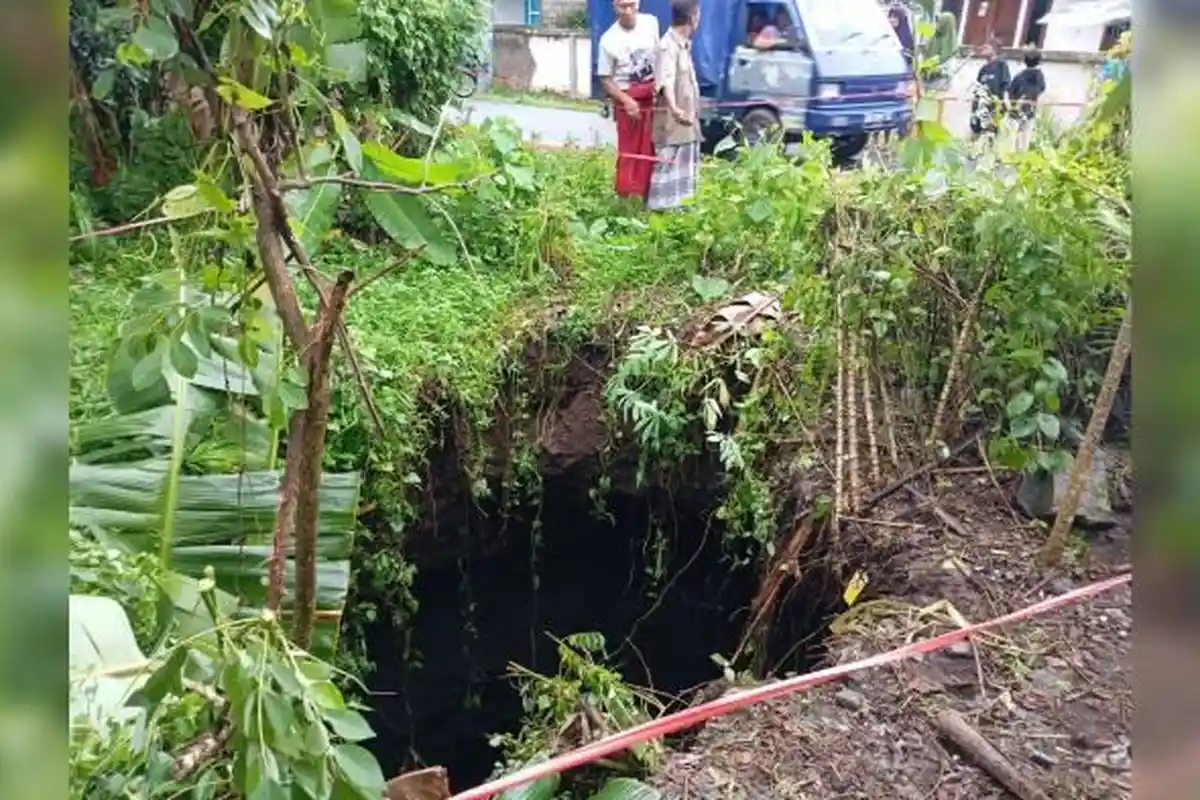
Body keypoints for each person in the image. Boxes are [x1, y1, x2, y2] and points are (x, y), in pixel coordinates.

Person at [597, 0, 661, 201]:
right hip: (628, 99)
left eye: (631, 4)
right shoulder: (608, 40)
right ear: (614, 7)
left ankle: (650, 196)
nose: (627, 10)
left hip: (652, 95)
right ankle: (624, 198)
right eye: (622, 6)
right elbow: (606, 80)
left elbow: (660, 57)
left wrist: (662, 88)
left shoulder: (651, 23)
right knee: (630, 151)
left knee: (653, 147)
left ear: (638, 3)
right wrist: (626, 100)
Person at [647, 0, 702, 212]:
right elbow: (666, 81)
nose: (698, 19)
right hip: (672, 124)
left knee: (685, 173)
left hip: (687, 124)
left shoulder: (684, 44)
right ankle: (659, 214)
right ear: (691, 18)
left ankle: (680, 213)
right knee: (666, 169)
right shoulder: (667, 46)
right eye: (697, 15)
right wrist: (675, 109)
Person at [969, 38, 1010, 142]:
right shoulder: (983, 69)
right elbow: (979, 87)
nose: (982, 50)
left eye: (986, 47)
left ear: (993, 49)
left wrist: (1005, 102)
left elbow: (1005, 84)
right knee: (976, 132)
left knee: (991, 134)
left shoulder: (1001, 66)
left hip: (994, 106)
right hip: (981, 106)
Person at [1005, 50, 1046, 150]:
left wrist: (1010, 107)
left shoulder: (1019, 77)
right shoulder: (1039, 77)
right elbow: (1042, 89)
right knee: (1024, 140)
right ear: (1039, 62)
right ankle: (1021, 160)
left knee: (1013, 140)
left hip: (1015, 111)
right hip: (1030, 111)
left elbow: (1010, 92)